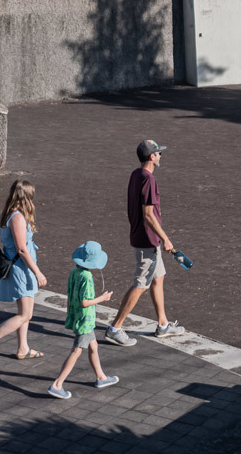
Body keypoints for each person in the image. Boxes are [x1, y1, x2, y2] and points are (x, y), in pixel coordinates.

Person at [106, 139, 182, 345]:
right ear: (151, 157)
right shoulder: (149, 180)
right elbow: (149, 214)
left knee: (158, 278)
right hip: (148, 240)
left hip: (145, 238)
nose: (160, 156)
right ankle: (115, 327)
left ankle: (163, 324)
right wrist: (166, 239)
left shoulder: (136, 175)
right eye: (158, 154)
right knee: (140, 284)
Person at [0, 180, 47, 364]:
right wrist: (38, 272)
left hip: (20, 267)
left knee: (25, 311)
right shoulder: (17, 217)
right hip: (21, 269)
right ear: (27, 197)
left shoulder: (7, 213)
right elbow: (22, 249)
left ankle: (23, 348)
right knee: (25, 314)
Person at [46, 241, 119, 399]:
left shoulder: (75, 271)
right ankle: (57, 384)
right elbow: (85, 302)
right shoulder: (87, 277)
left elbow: (71, 295)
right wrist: (103, 298)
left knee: (94, 346)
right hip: (85, 320)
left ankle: (101, 377)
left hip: (78, 317)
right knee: (76, 351)